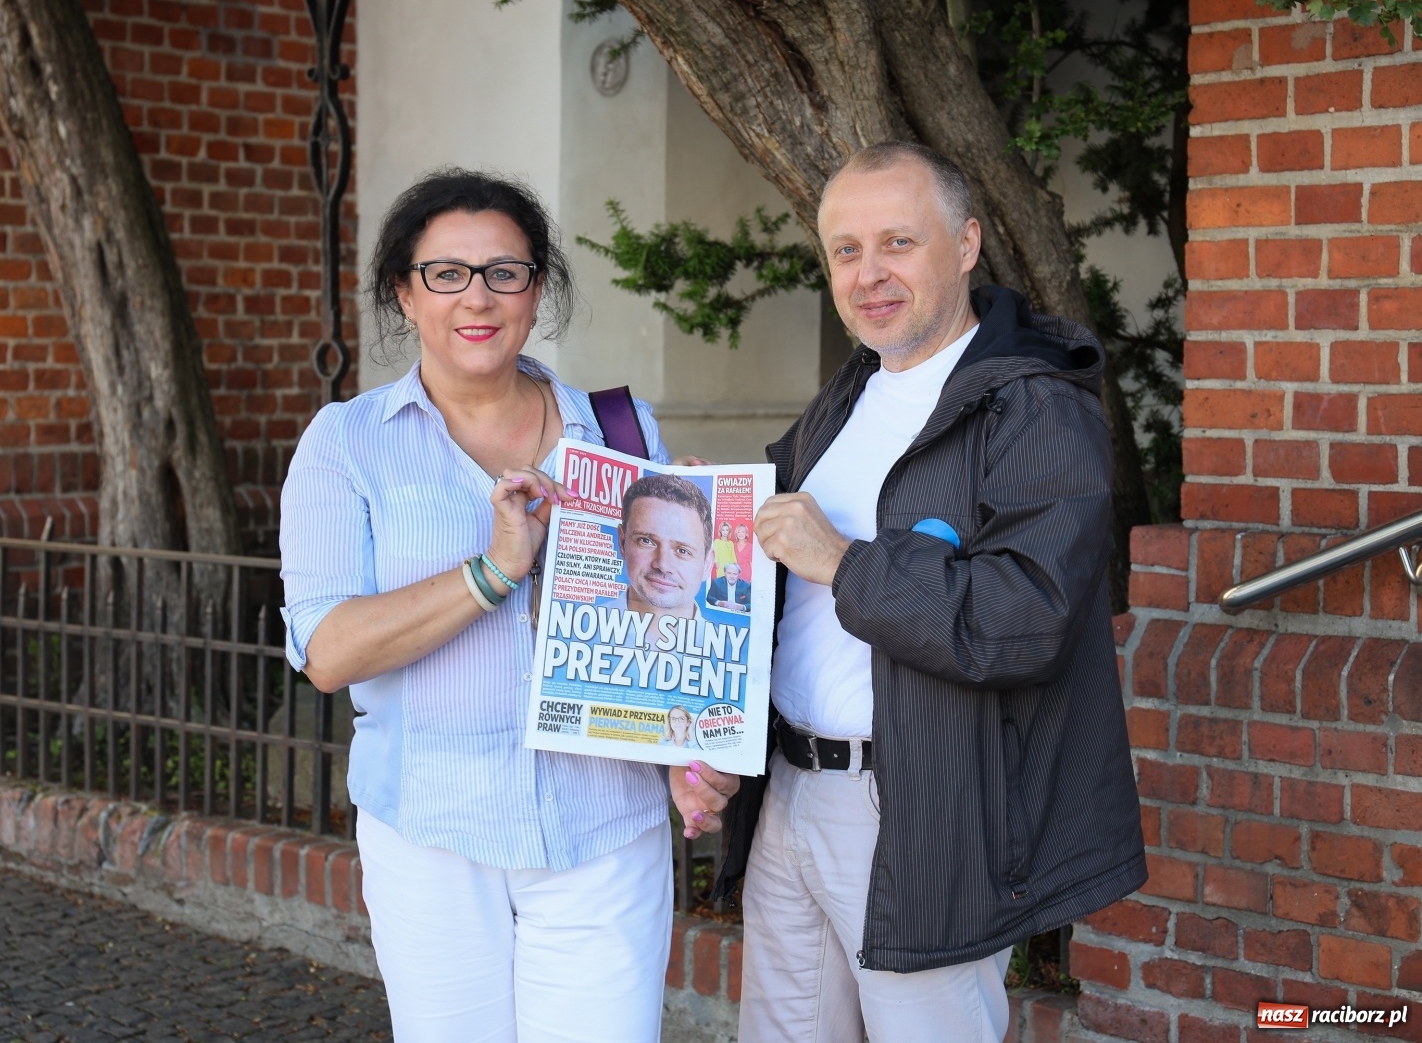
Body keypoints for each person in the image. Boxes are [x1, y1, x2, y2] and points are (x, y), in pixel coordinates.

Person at [278, 169, 737, 1043]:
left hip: (603, 828)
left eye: (505, 272)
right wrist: (493, 572)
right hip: (434, 835)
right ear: (404, 294)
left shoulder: (620, 431)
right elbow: (329, 650)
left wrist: (697, 752)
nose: (477, 296)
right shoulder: (348, 444)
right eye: (447, 273)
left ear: (537, 290)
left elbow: (675, 629)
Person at [718, 142, 1146, 1043]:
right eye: (845, 250)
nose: (868, 274)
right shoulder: (854, 392)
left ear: (965, 245)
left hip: (918, 809)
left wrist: (844, 561)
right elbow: (762, 564)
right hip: (791, 789)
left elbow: (1020, 620)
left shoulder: (1033, 405)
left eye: (898, 242)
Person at [602, 473, 716, 646]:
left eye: (682, 550)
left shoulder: (733, 650)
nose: (663, 565)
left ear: (707, 564)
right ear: (622, 542)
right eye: (646, 541)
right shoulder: (574, 628)